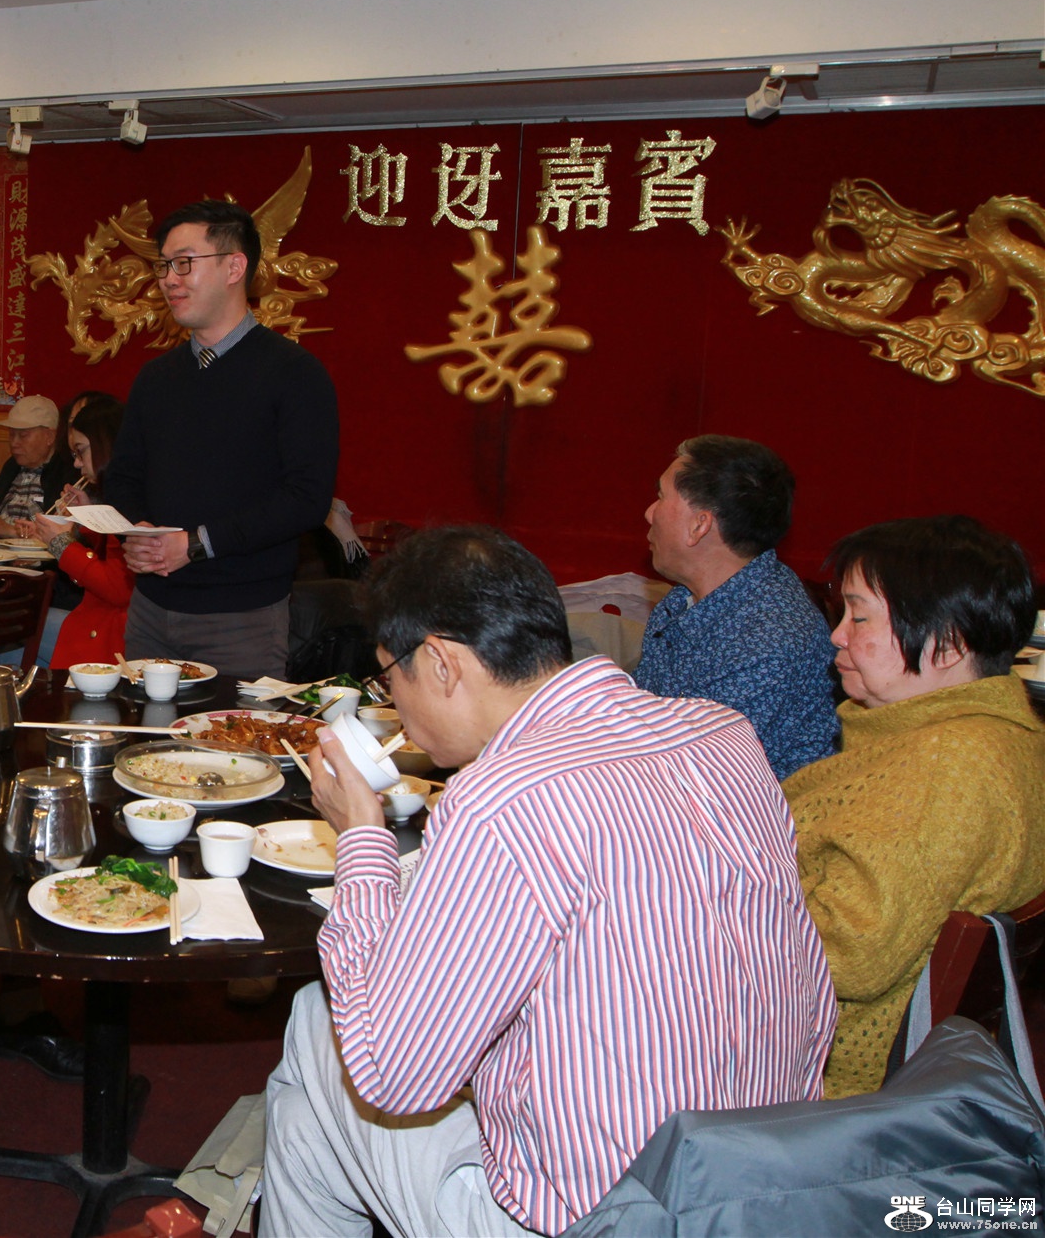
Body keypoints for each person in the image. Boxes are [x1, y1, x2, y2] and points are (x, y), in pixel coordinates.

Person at [261, 526, 834, 1238]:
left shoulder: (503, 796)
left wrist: (361, 837)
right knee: (305, 1116)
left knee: (321, 1020)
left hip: (609, 1218)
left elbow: (392, 1075)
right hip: (770, 1186)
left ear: (439, 662)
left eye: (389, 678)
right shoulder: (722, 734)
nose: (394, 705)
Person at [784, 515, 1045, 1099]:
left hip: (823, 1068)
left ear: (947, 644)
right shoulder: (1004, 733)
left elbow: (848, 953)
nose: (836, 636)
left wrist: (716, 892)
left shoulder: (947, 766)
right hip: (920, 1057)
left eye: (859, 617)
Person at [107, 199, 338, 680]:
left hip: (241, 619)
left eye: (184, 263)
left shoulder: (294, 373)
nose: (169, 279)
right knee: (140, 728)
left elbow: (306, 498)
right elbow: (124, 475)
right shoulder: (156, 377)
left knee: (230, 731)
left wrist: (196, 544)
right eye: (163, 266)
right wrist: (139, 530)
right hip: (149, 609)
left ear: (235, 267)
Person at [633, 435, 839, 779]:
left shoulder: (771, 639)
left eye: (661, 497)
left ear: (699, 525)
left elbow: (690, 774)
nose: (649, 512)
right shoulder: (684, 599)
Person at [21, 399, 134, 667]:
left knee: (15, 626)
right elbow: (110, 554)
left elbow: (119, 588)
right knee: (13, 628)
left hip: (116, 635)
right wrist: (85, 519)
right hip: (102, 620)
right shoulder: (118, 492)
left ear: (104, 446)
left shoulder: (129, 498)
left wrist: (62, 544)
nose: (76, 463)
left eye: (81, 451)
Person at [0, 394, 76, 536]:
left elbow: (62, 536)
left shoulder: (67, 473)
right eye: (11, 435)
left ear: (49, 437)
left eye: (23, 435)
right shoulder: (11, 467)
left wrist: (10, 531)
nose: (14, 443)